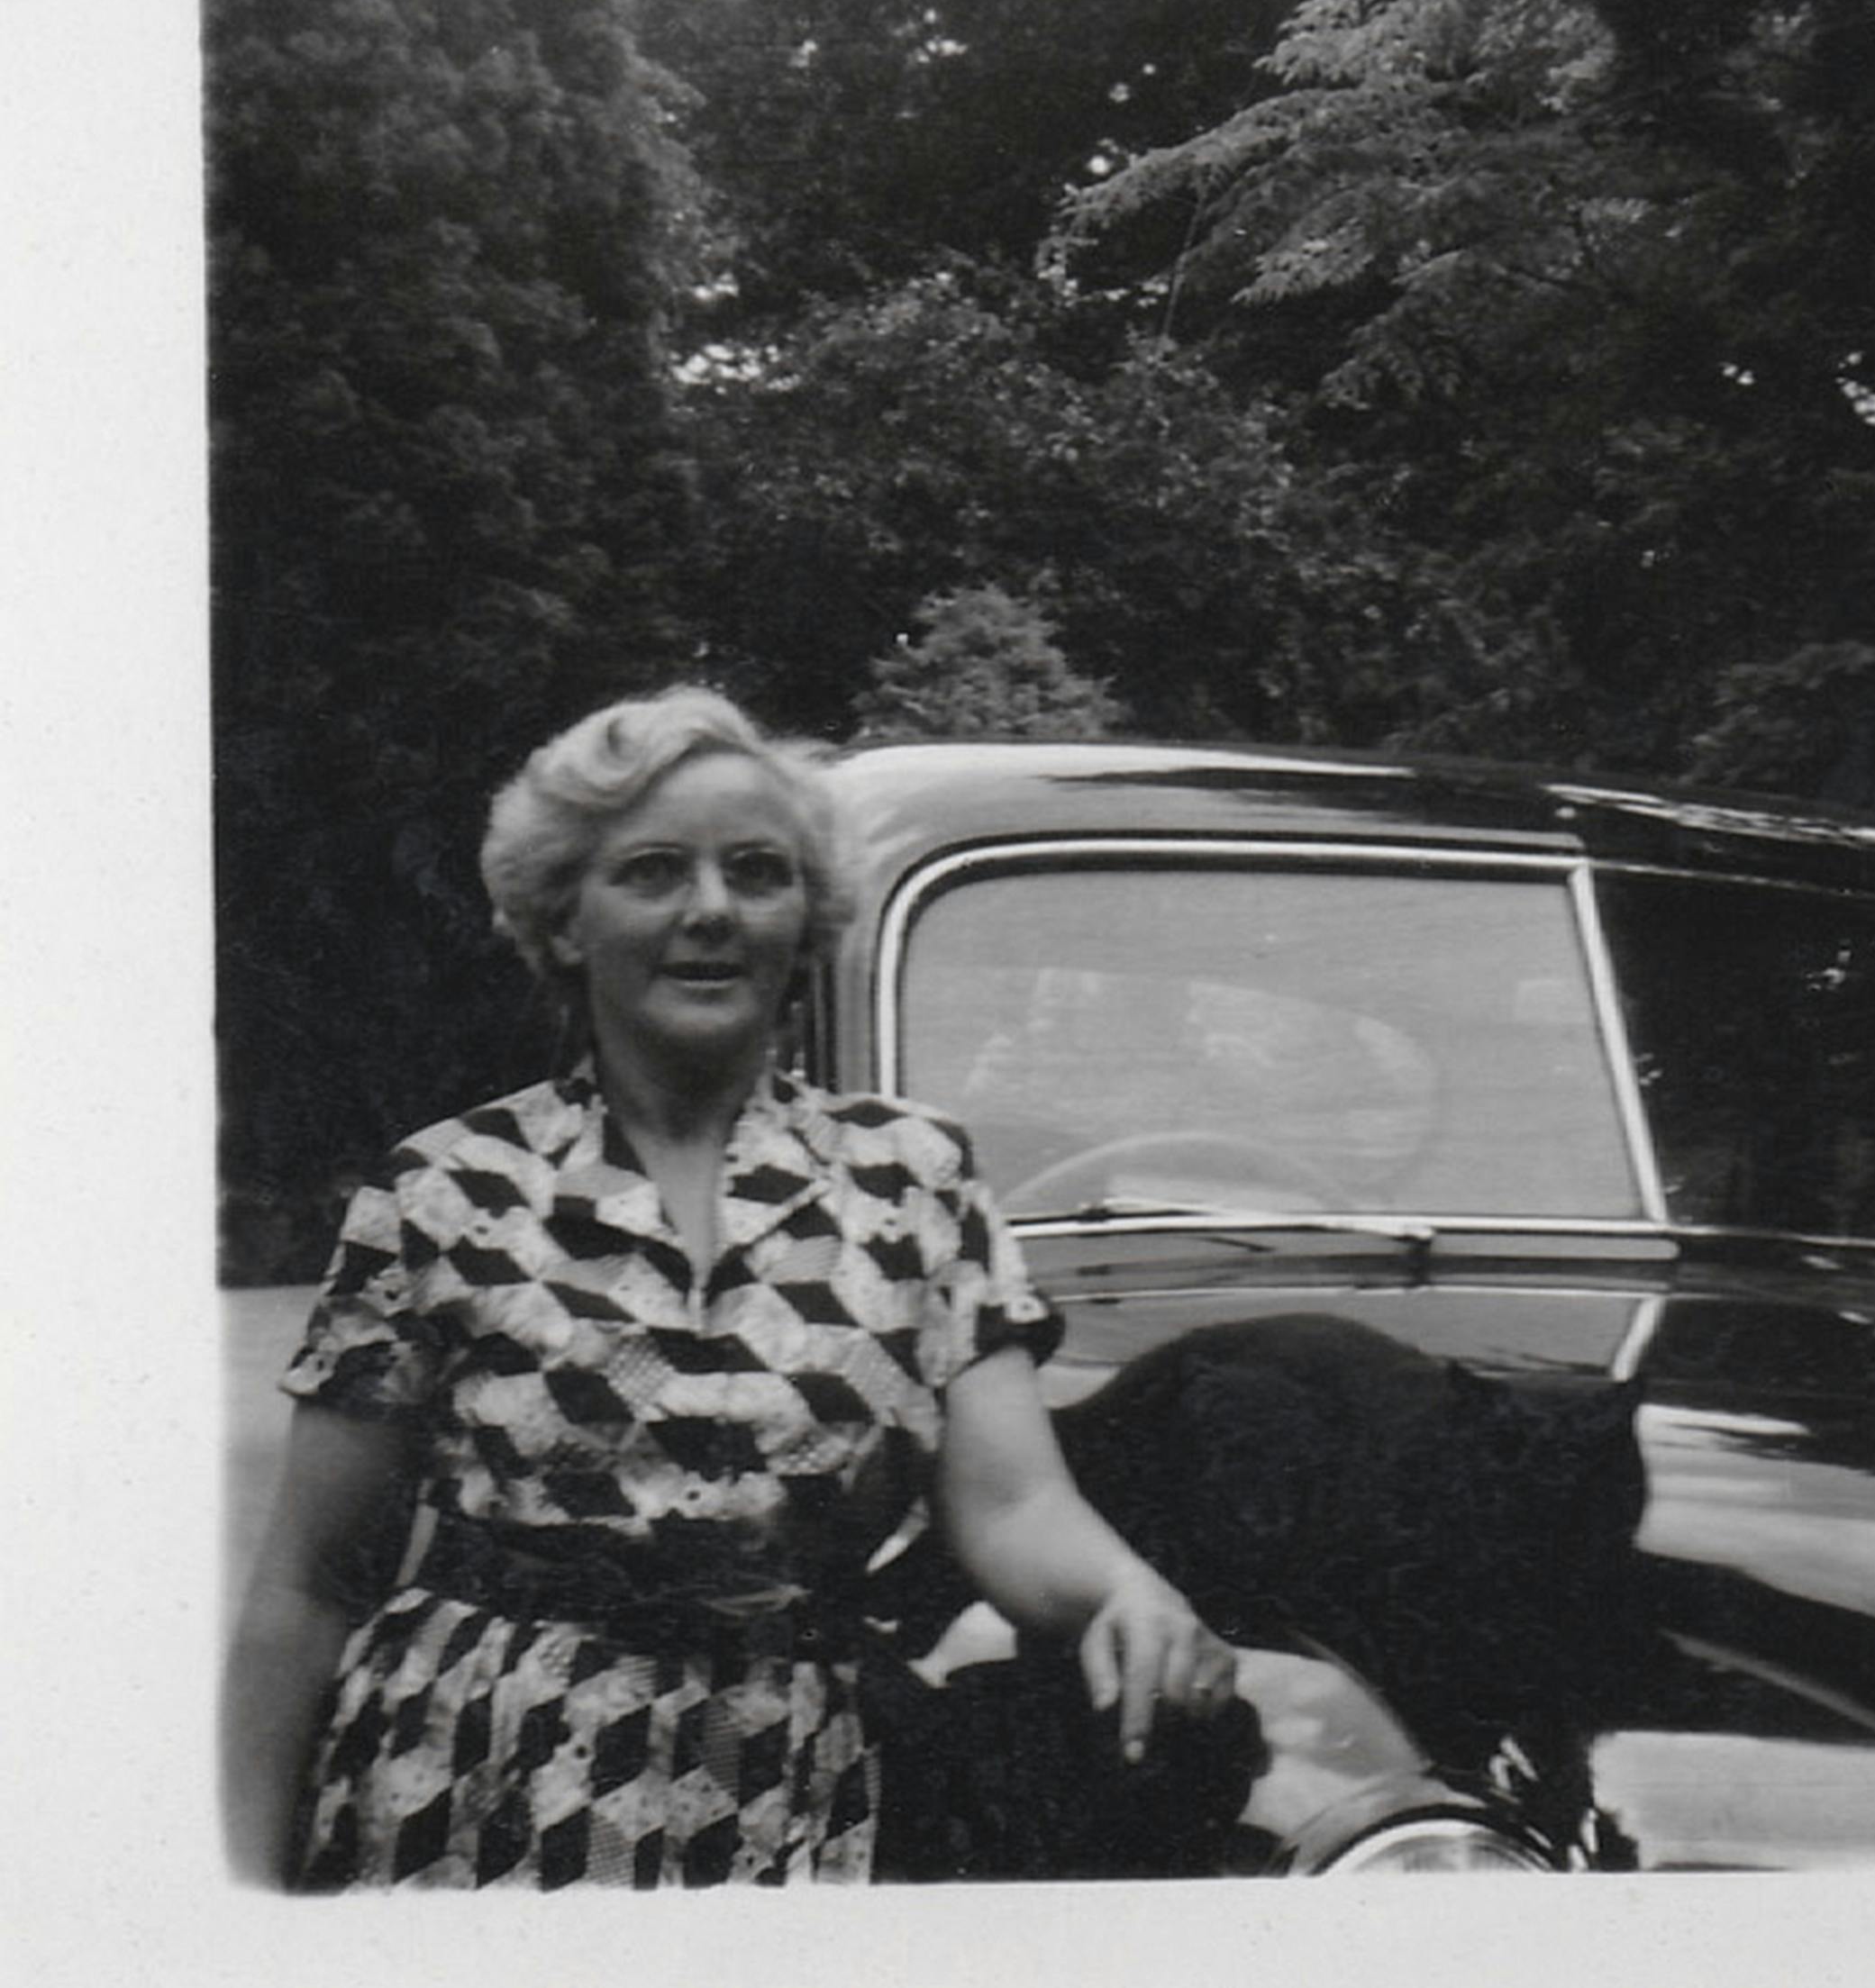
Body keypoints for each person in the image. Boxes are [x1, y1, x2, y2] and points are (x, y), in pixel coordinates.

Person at [222, 686, 1236, 1888]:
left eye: (757, 872)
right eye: (653, 871)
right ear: (563, 921)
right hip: (477, 1780)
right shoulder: (447, 1190)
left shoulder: (916, 1179)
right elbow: (312, 1577)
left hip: (782, 1781)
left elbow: (1012, 1504)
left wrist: (1126, 1586)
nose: (710, 908)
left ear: (806, 920)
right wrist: (231, 1887)